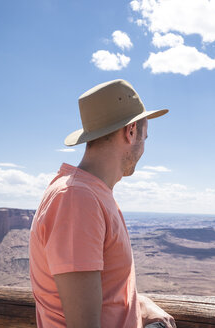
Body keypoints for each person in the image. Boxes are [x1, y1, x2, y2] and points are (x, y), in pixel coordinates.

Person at [29, 79, 175, 328]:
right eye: (145, 137)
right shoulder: (77, 199)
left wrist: (140, 303)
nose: (143, 148)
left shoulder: (92, 194)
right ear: (130, 132)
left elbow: (101, 292)